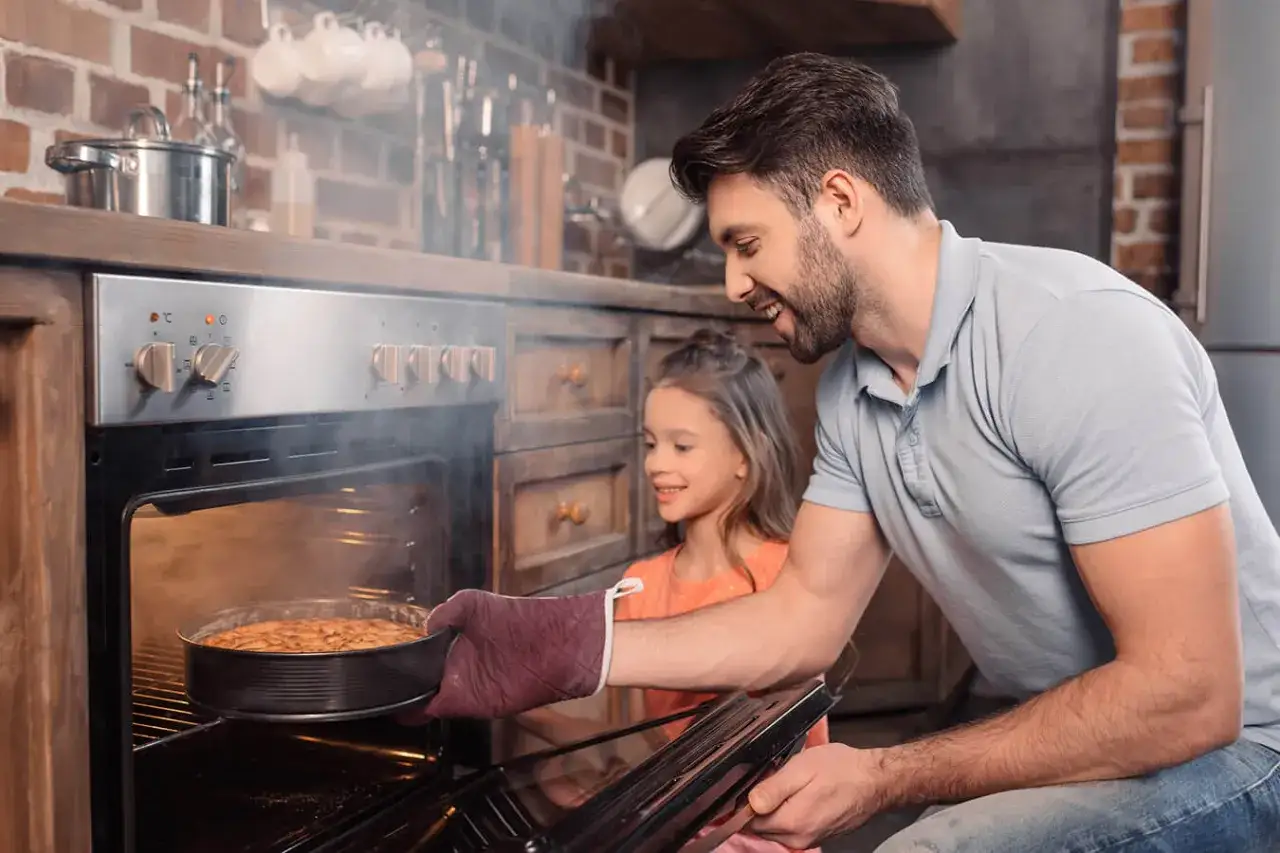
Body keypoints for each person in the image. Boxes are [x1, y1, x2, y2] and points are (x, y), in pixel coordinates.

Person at [420, 53, 1280, 851]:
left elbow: (1190, 695)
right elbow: (799, 618)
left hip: (1244, 752)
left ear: (840, 201)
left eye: (746, 245)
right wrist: (565, 644)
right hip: (1107, 739)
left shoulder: (1074, 334)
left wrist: (881, 774)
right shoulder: (851, 391)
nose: (733, 286)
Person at [514, 329, 829, 852]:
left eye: (682, 446)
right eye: (651, 444)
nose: (657, 464)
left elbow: (789, 765)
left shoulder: (789, 578)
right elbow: (640, 751)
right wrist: (518, 702)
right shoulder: (642, 582)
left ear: (745, 456)